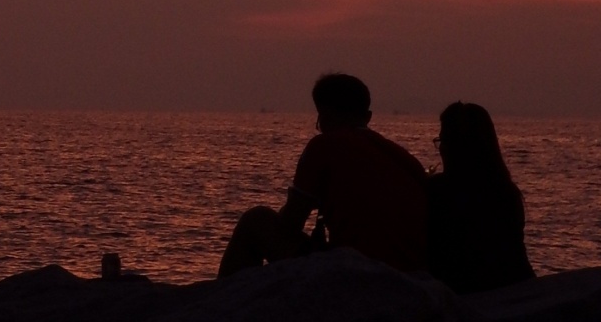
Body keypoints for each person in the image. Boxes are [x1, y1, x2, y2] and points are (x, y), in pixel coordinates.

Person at [219, 72, 428, 277]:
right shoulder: (403, 158)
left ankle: (223, 303)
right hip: (408, 273)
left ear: (324, 114)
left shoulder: (325, 146)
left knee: (256, 220)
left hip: (358, 271)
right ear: (367, 116)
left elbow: (291, 222)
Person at [426, 101, 534, 293]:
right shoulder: (506, 192)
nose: (441, 148)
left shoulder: (438, 192)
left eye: (445, 141)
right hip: (513, 290)